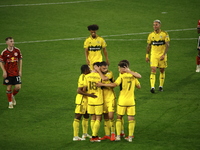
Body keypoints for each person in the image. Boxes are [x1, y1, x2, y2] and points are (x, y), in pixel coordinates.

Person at [96, 61, 141, 142]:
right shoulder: (133, 75)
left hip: (122, 101)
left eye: (119, 68)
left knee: (119, 118)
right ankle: (130, 137)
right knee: (131, 119)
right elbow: (139, 86)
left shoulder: (122, 76)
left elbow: (114, 85)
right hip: (131, 101)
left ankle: (118, 136)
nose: (118, 70)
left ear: (123, 68)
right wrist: (130, 72)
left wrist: (102, 85)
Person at [72, 65, 97, 141]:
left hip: (87, 101)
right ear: (85, 70)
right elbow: (79, 91)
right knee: (78, 117)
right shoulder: (82, 77)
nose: (90, 69)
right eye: (89, 69)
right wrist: (90, 95)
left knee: (86, 116)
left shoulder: (88, 76)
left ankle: (85, 134)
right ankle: (75, 136)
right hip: (82, 101)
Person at [146, 20, 170, 93]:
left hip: (162, 55)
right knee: (153, 69)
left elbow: (167, 45)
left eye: (156, 25)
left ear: (160, 25)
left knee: (162, 70)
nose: (154, 26)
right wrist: (147, 55)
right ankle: (152, 87)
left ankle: (160, 86)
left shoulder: (164, 34)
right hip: (154, 55)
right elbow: (148, 46)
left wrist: (164, 54)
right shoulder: (151, 35)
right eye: (153, 25)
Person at [95, 61, 116, 141]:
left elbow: (104, 79)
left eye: (106, 68)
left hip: (110, 97)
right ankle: (107, 134)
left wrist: (98, 70)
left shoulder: (109, 73)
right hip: (102, 98)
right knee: (105, 116)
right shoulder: (98, 75)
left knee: (111, 116)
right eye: (104, 68)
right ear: (100, 67)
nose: (106, 69)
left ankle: (113, 133)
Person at [83, 62, 104, 142]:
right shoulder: (100, 76)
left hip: (90, 99)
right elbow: (105, 80)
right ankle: (94, 136)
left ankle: (94, 135)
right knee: (98, 118)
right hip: (98, 99)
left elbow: (84, 89)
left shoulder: (87, 76)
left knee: (93, 118)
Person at [0, 37, 22, 109]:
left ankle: (12, 96)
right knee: (9, 87)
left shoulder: (17, 50)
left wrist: (20, 70)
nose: (13, 42)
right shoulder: (4, 52)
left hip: (16, 72)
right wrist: (4, 71)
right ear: (7, 43)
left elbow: (20, 60)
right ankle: (10, 103)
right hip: (8, 73)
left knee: (18, 87)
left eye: (13, 41)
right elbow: (1, 62)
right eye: (11, 41)